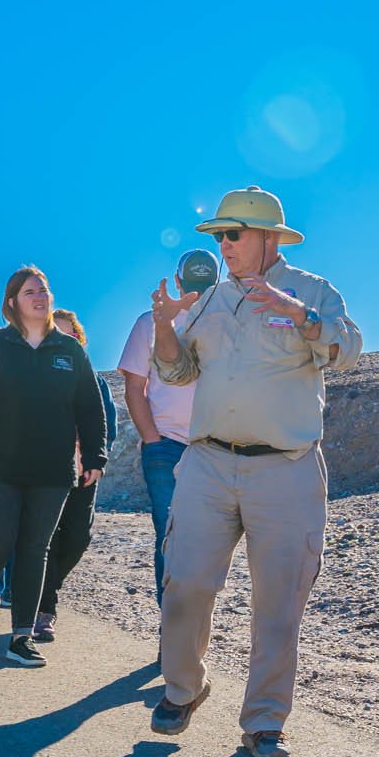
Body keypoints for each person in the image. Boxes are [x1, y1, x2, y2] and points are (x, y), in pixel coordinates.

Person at [148, 185, 361, 757]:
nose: (223, 244)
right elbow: (176, 369)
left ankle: (265, 721)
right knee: (186, 581)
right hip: (208, 464)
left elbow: (350, 350)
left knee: (279, 601)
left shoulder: (315, 291)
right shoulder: (210, 299)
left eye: (232, 234)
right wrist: (167, 325)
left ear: (268, 238)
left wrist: (302, 318)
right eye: (218, 235)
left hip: (286, 470)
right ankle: (183, 689)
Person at [0, 268, 106, 669]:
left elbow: (90, 407)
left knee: (34, 550)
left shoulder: (70, 351)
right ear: (12, 302)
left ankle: (20, 636)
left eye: (44, 290)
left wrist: (95, 458)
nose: (39, 297)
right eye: (29, 292)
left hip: (52, 470)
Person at [118, 245, 219, 601]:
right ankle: (173, 634)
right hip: (168, 447)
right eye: (192, 282)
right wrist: (152, 440)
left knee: (210, 540)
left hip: (219, 449)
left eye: (206, 282)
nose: (198, 290)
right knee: (170, 537)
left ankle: (192, 630)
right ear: (178, 281)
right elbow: (134, 385)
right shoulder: (151, 322)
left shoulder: (228, 324)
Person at [30, 306, 118, 642]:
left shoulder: (95, 381)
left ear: (79, 340)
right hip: (44, 473)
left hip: (83, 473)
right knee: (44, 538)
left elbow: (104, 423)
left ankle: (40, 588)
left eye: (70, 335)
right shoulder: (36, 377)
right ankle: (43, 609)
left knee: (78, 537)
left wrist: (95, 459)